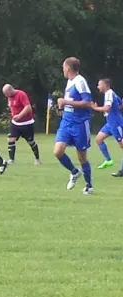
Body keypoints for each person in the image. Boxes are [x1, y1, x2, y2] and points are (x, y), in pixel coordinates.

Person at [55, 57, 93, 194]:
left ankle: (89, 185)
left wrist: (66, 102)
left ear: (68, 68)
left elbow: (87, 102)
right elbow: (69, 102)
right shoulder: (69, 82)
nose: (62, 69)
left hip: (80, 124)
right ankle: (74, 172)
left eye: (63, 67)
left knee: (82, 157)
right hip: (67, 122)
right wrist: (63, 107)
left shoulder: (80, 81)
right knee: (58, 151)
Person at [91, 78, 123, 176]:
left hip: (116, 124)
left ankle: (122, 171)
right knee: (98, 139)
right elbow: (120, 105)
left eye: (99, 84)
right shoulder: (112, 94)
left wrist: (95, 108)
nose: (98, 87)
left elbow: (107, 108)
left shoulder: (109, 93)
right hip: (110, 124)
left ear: (105, 85)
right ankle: (108, 160)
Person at [2, 84, 41, 165]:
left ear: (10, 90)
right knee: (11, 140)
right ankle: (11, 160)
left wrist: (19, 115)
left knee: (30, 141)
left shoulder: (21, 94)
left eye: (6, 93)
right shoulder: (9, 97)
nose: (6, 96)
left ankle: (37, 159)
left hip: (27, 123)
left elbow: (28, 107)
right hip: (15, 123)